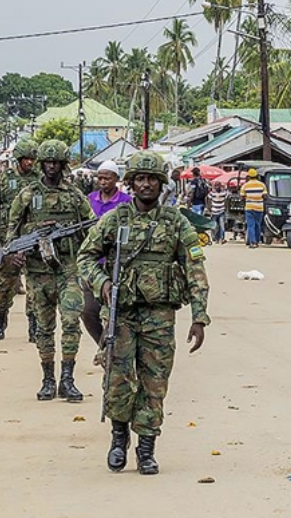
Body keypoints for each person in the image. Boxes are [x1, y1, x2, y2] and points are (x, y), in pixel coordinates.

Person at [78, 151, 211, 475]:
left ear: (161, 183)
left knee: (154, 384)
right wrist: (103, 282)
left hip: (159, 316)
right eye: (141, 179)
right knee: (119, 381)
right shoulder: (116, 219)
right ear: (132, 183)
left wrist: (199, 316)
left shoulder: (175, 222)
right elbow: (85, 257)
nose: (147, 184)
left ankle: (147, 449)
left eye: (152, 179)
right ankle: (119, 439)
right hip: (121, 316)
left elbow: (194, 267)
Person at [7, 140, 95, 402]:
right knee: (44, 328)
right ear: (41, 164)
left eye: (56, 162)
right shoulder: (27, 195)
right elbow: (11, 231)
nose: (52, 167)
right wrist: (14, 253)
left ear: (63, 164)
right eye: (47, 162)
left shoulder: (75, 196)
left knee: (70, 322)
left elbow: (91, 229)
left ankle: (68, 379)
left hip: (69, 269)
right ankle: (48, 379)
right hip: (37, 271)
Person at [0, 139, 40, 342]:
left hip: (33, 239)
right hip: (8, 239)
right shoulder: (5, 179)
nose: (30, 163)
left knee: (34, 283)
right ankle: (1, 320)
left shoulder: (39, 179)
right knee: (6, 284)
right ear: (18, 159)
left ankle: (34, 326)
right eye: (26, 159)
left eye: (33, 159)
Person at [82, 160, 133, 346]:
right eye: (100, 178)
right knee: (88, 311)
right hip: (93, 264)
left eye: (107, 178)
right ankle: (103, 346)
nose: (103, 182)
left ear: (116, 179)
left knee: (115, 313)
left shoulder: (126, 203)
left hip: (117, 265)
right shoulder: (89, 199)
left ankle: (112, 353)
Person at [240, 169, 267, 248]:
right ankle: (257, 241)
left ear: (248, 176)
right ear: (257, 176)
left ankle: (253, 242)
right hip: (259, 208)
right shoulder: (262, 185)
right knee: (257, 225)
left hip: (249, 207)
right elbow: (265, 196)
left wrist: (248, 197)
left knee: (250, 225)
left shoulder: (245, 185)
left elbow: (242, 197)